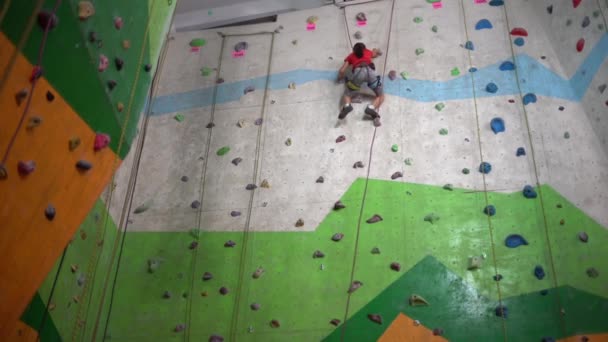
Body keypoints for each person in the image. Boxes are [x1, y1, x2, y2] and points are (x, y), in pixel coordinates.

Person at [337, 42, 385, 122]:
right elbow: (375, 54)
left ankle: (347, 105)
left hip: (358, 74)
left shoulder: (351, 56)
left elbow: (342, 71)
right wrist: (375, 51)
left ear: (354, 50)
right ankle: (371, 108)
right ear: (364, 48)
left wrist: (340, 78)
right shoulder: (367, 51)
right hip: (370, 72)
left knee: (347, 94)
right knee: (380, 96)